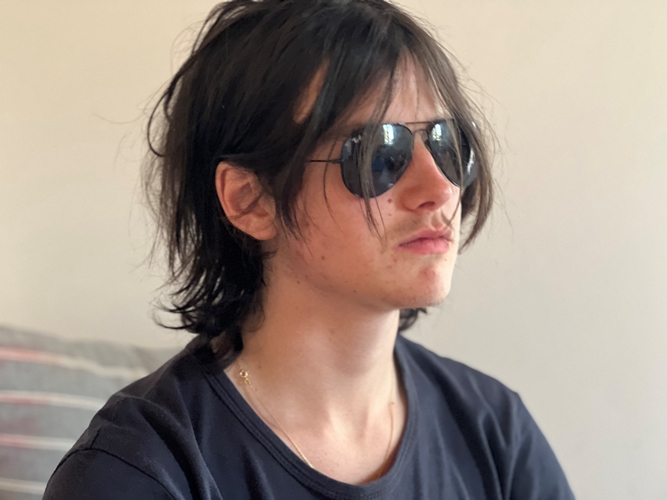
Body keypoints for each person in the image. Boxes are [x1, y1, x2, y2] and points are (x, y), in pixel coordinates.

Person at [44, 0, 575, 498]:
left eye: (447, 144)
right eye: (377, 155)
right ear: (250, 200)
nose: (438, 188)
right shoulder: (140, 468)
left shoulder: (494, 431)